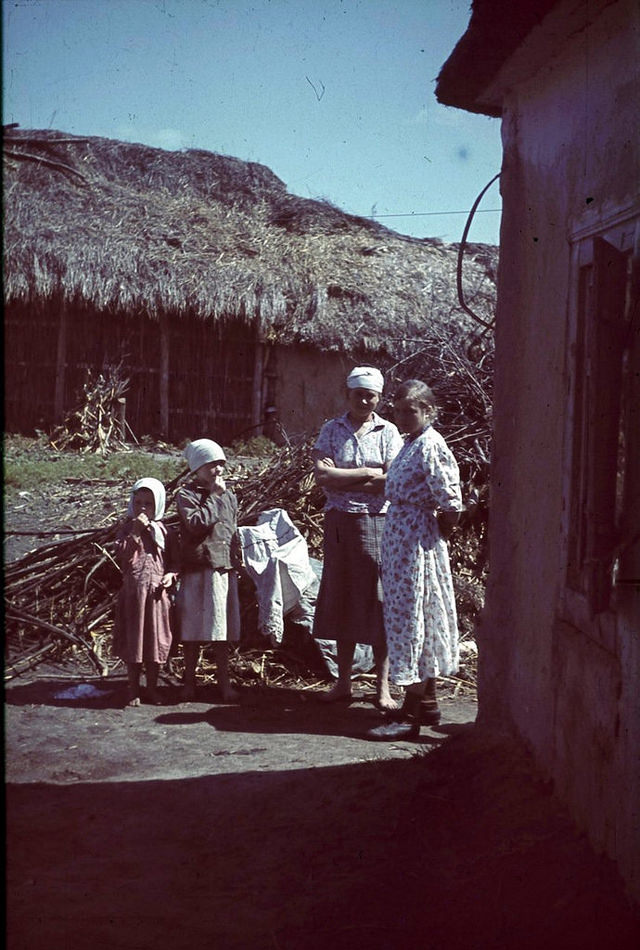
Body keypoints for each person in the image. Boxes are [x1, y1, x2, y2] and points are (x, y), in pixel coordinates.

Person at [368, 379, 462, 741]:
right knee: (411, 617)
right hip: (402, 544)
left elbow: (451, 503)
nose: (404, 417)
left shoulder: (431, 445)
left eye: (412, 411)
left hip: (417, 545)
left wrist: (437, 531)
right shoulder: (411, 444)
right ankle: (428, 703)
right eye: (399, 410)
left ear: (428, 411)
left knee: (414, 620)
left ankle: (409, 715)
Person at [312, 365, 404, 710]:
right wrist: (367, 472)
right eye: (358, 394)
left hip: (376, 523)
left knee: (376, 601)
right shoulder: (331, 430)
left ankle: (383, 687)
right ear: (346, 394)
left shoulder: (388, 431)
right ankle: (344, 682)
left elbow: (391, 480)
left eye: (371, 395)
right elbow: (322, 475)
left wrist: (344, 476)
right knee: (344, 599)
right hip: (339, 523)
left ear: (380, 398)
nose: (364, 400)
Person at [175, 438, 241, 702]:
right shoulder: (186, 495)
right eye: (212, 465)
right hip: (197, 568)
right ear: (198, 467)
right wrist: (213, 497)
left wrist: (236, 560)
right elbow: (195, 524)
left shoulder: (229, 495)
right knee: (192, 630)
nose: (218, 470)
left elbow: (231, 530)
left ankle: (224, 685)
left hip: (221, 568)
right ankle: (189, 683)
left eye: (221, 464)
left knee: (220, 631)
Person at [114, 477, 179, 707]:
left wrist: (171, 575)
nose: (142, 508)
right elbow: (122, 555)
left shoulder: (165, 532)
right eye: (138, 502)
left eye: (148, 504)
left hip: (156, 596)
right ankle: (133, 689)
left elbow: (173, 562)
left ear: (159, 505)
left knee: (155, 641)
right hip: (134, 595)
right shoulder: (127, 528)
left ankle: (151, 688)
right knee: (135, 641)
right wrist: (136, 531)